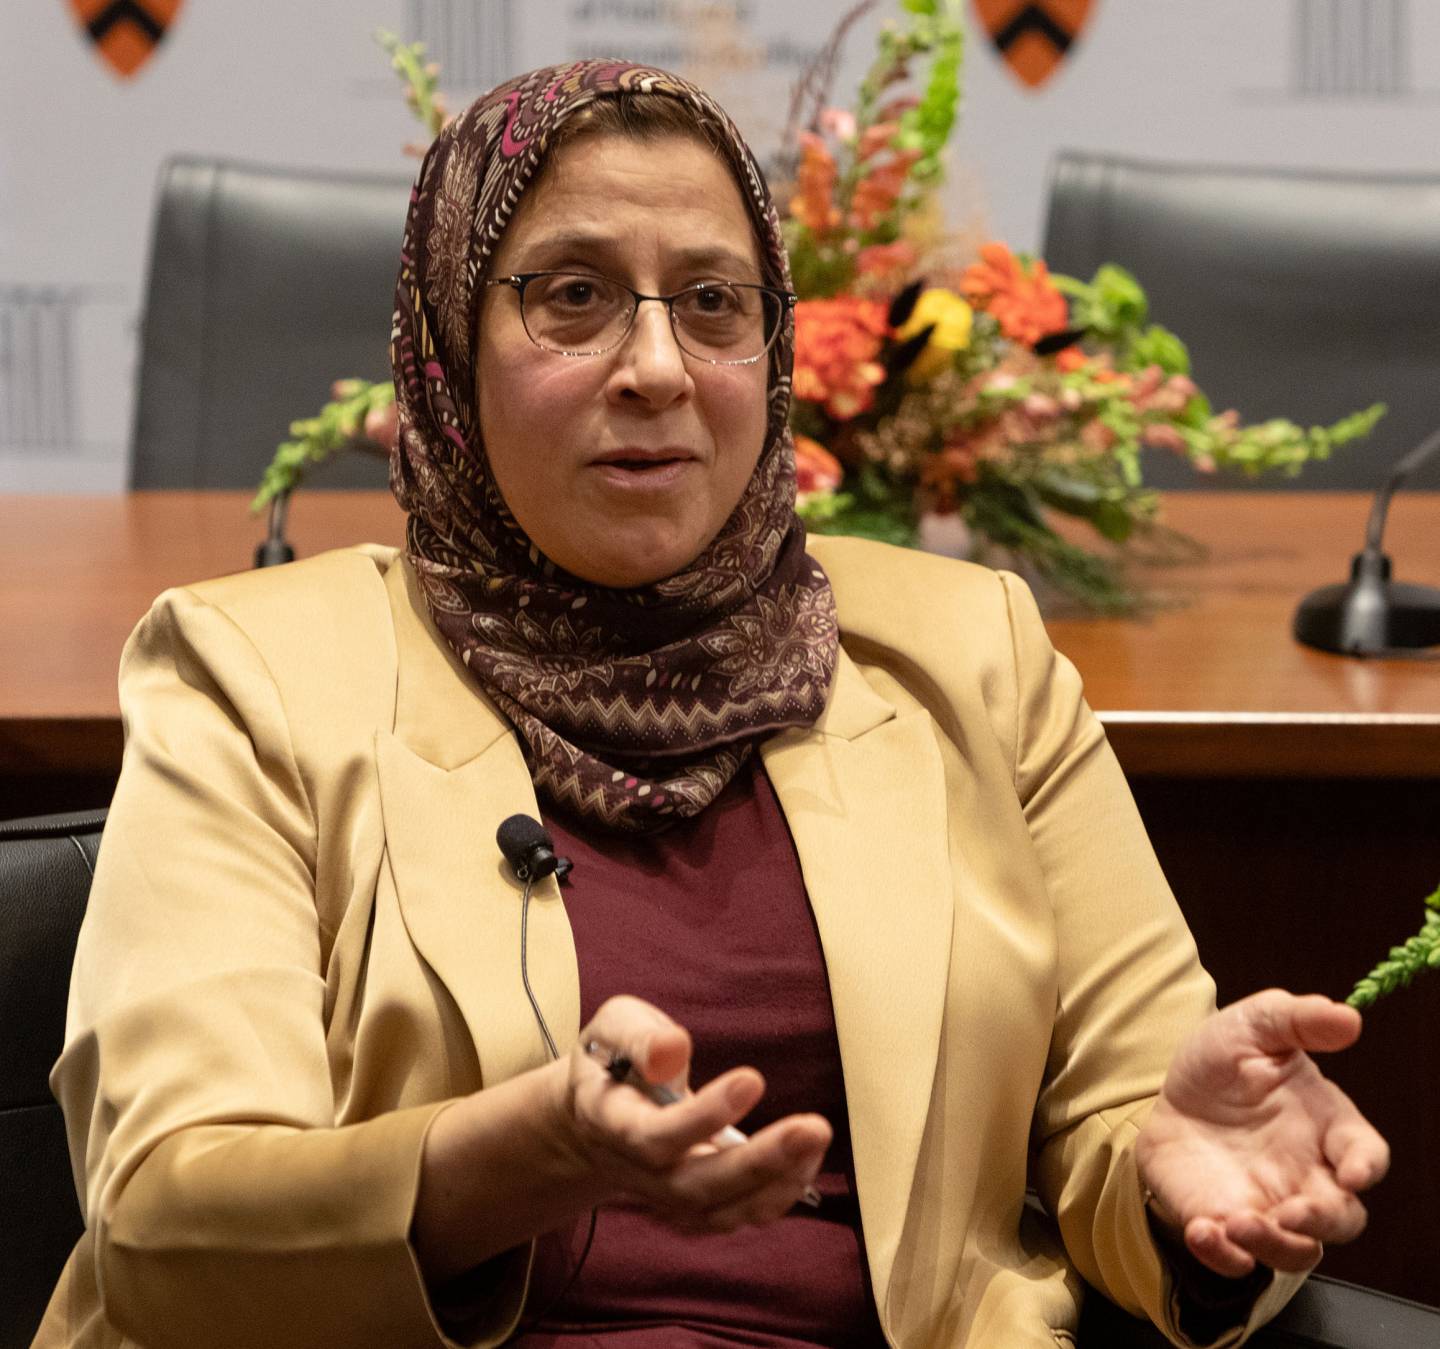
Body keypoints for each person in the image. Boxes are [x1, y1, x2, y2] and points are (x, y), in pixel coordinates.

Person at [36, 60, 1387, 1349]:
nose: (658, 368)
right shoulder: (250, 671)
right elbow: (169, 1222)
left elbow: (1130, 1124)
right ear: (449, 341)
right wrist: (526, 1158)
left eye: (712, 302)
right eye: (573, 296)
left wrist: (1186, 1201)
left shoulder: (970, 654)